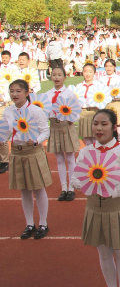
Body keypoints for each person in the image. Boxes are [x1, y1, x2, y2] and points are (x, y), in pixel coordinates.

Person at [71, 109, 120, 287]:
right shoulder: (85, 151)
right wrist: (88, 185)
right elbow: (74, 179)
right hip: (95, 208)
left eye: (104, 124)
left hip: (117, 207)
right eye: (95, 124)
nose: (98, 128)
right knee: (103, 253)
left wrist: (112, 192)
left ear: (113, 127)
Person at [2, 79, 51, 239]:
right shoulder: (8, 111)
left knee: (38, 188)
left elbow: (45, 131)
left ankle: (43, 223)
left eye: (18, 91)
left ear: (26, 93)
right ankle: (29, 223)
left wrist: (36, 140)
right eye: (12, 91)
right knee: (24, 189)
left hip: (33, 151)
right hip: (17, 152)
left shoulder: (36, 111)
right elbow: (6, 130)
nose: (14, 94)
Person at [47, 67, 80, 201]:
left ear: (64, 77)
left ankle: (71, 188)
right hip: (54, 127)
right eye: (54, 74)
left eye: (59, 75)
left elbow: (77, 111)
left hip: (67, 126)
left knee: (70, 158)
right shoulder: (47, 94)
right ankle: (63, 188)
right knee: (59, 160)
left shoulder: (69, 94)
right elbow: (44, 112)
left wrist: (70, 119)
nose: (56, 77)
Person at [76, 64, 103, 147]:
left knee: (96, 139)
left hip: (95, 113)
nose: (87, 74)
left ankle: (99, 158)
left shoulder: (99, 85)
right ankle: (90, 158)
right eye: (85, 71)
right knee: (87, 140)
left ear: (94, 73)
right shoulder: (79, 86)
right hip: (83, 113)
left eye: (90, 72)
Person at [99, 59, 120, 131]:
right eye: (106, 66)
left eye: (110, 66)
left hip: (116, 104)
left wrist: (118, 97)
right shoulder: (101, 80)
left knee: (118, 125)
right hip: (104, 105)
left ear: (115, 67)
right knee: (106, 126)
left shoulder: (119, 79)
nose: (108, 68)